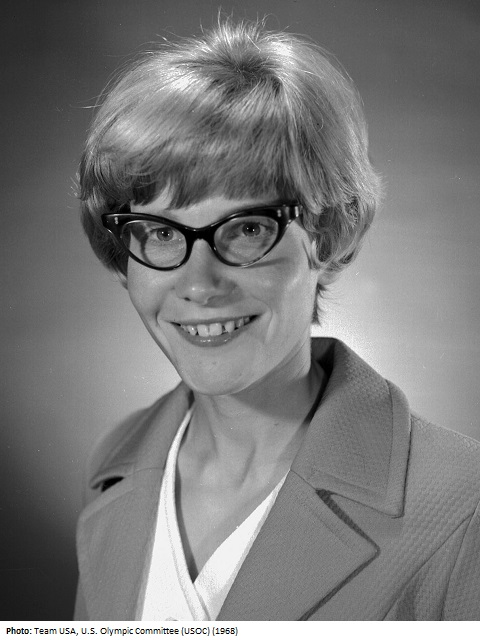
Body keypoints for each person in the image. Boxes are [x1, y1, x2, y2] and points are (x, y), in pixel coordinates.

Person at [75, 18, 480, 621]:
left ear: (326, 234)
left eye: (247, 229)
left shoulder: (464, 507)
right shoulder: (114, 465)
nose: (199, 285)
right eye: (160, 232)